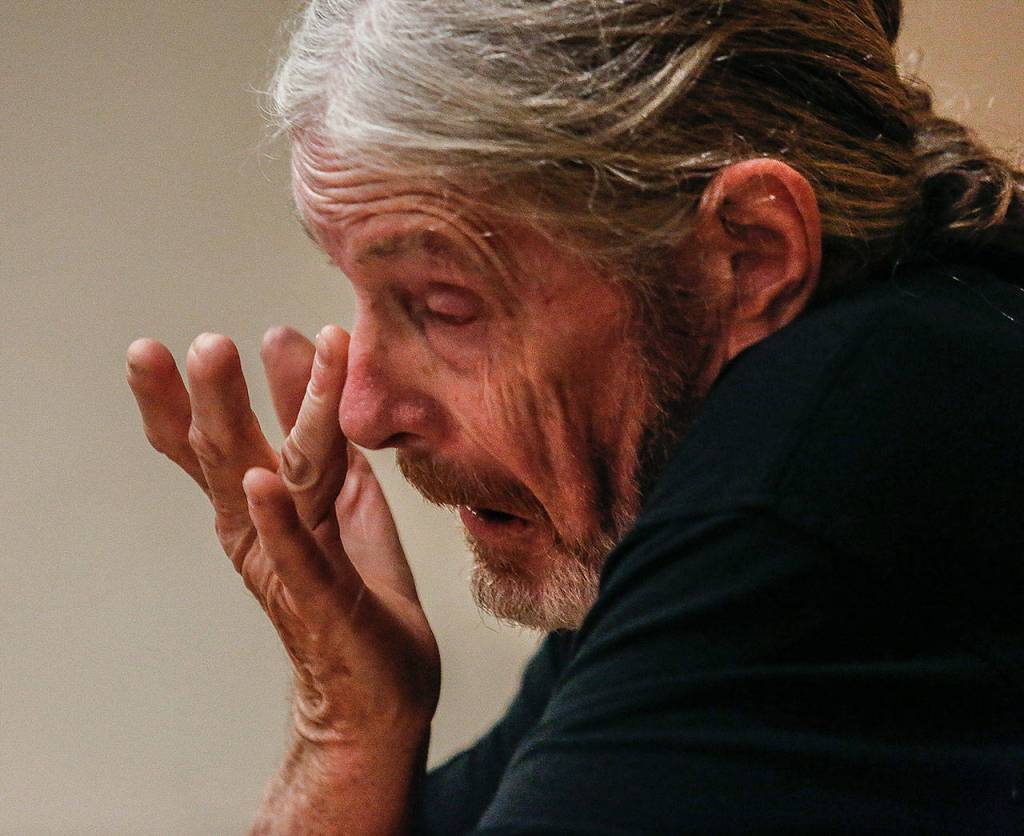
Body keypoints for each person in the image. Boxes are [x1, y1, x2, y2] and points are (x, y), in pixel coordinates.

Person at [126, 0, 1024, 831]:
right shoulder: (706, 491)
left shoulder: (820, 473)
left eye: (443, 303)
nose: (363, 412)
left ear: (748, 255)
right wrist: (351, 721)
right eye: (361, 292)